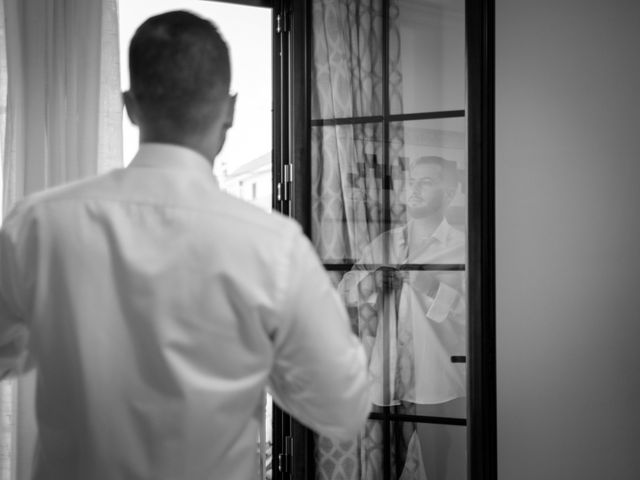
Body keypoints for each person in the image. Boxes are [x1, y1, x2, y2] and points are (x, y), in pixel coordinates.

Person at [0, 11, 369, 480]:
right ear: (230, 109)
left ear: (130, 105)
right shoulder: (274, 248)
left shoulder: (37, 225)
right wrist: (267, 355)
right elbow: (343, 408)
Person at [322, 155, 466, 479]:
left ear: (450, 192)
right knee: (384, 470)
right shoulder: (386, 243)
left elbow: (478, 318)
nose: (413, 189)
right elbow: (342, 292)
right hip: (385, 384)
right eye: (412, 181)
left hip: (439, 385)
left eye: (426, 182)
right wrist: (370, 283)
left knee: (444, 471)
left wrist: (432, 288)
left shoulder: (464, 248)